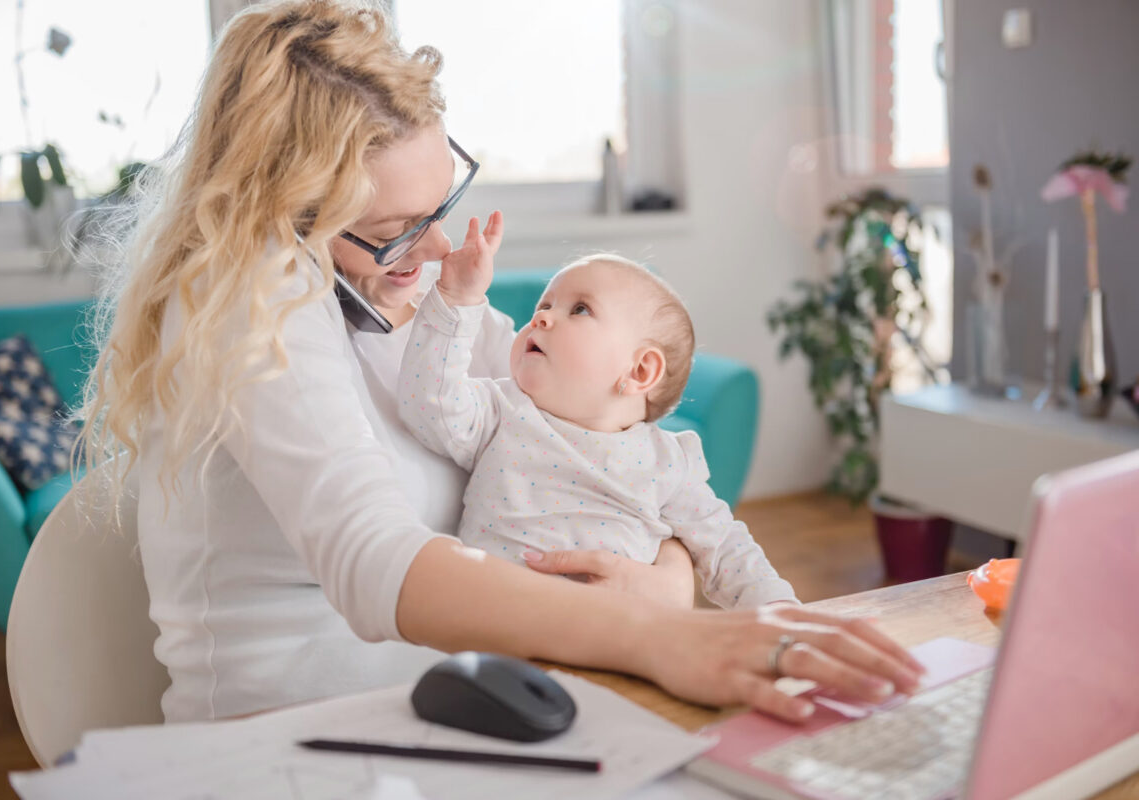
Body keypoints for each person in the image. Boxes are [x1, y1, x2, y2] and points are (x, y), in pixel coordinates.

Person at [78, 0, 924, 725]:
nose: (440, 249)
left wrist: (666, 584)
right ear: (279, 212)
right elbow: (374, 558)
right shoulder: (247, 294)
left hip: (480, 700)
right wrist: (657, 634)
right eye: (390, 231)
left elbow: (595, 459)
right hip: (295, 746)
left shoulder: (426, 309)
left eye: (440, 204)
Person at [399, 241, 798, 609]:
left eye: (579, 309)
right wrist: (456, 304)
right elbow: (430, 403)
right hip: (499, 632)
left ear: (640, 370)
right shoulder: (501, 409)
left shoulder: (669, 461)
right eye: (544, 305)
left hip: (621, 640)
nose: (542, 317)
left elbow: (726, 547)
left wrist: (778, 610)